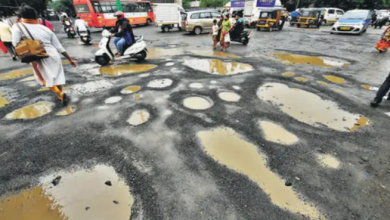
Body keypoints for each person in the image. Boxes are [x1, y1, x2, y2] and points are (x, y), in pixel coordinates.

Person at [12, 4, 77, 105]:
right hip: (54, 54)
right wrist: (70, 59)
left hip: (37, 56)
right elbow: (59, 46)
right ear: (35, 15)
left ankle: (59, 93)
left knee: (44, 78)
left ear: (22, 16)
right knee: (57, 76)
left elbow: (15, 43)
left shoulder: (18, 27)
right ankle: (61, 93)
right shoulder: (44, 28)